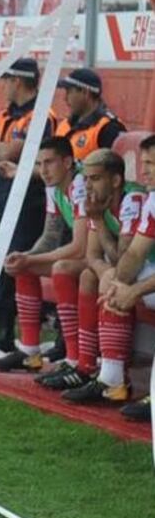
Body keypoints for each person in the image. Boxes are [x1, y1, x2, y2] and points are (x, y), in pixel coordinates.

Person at [0, 58, 57, 353]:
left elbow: (12, 152)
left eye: (6, 80)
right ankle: (2, 332)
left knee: (15, 263)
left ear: (17, 81)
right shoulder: (5, 114)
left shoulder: (41, 115)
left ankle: (18, 336)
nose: (3, 86)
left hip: (24, 202)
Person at [44, 149, 143, 403]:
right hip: (139, 270)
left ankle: (113, 380)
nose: (87, 185)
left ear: (116, 180)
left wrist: (98, 222)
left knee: (111, 278)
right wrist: (105, 271)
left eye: (95, 178)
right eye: (86, 178)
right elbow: (91, 255)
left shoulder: (133, 198)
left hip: (147, 268)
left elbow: (124, 258)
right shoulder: (96, 201)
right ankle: (84, 365)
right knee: (89, 275)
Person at [0, 136, 88, 373]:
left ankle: (74, 359)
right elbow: (50, 235)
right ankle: (29, 351)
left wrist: (31, 258)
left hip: (104, 256)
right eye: (39, 163)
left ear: (67, 162)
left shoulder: (80, 185)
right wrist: (26, 256)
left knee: (62, 269)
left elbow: (80, 247)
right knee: (23, 267)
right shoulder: (54, 187)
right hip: (92, 255)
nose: (43, 170)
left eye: (49, 162)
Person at [102, 135, 155, 420]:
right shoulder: (153, 199)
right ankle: (110, 379)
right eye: (144, 163)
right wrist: (119, 286)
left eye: (152, 164)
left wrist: (134, 291)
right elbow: (135, 253)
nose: (144, 171)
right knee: (111, 278)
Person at [55, 68, 125, 162]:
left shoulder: (109, 128)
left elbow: (114, 168)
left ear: (85, 92)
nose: (65, 98)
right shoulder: (65, 124)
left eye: (69, 92)